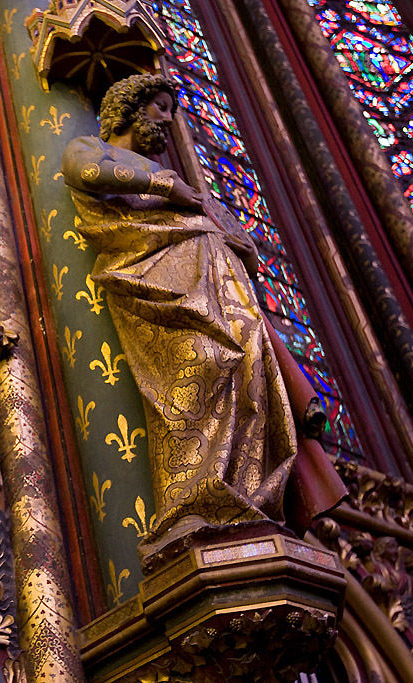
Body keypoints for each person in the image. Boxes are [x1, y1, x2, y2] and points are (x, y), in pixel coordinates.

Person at [63, 73, 341, 558]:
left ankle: (251, 501)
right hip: (160, 286)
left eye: (171, 109)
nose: (169, 119)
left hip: (221, 289)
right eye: (160, 106)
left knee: (249, 374)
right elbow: (83, 171)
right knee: (200, 370)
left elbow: (243, 246)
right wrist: (169, 187)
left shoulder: (187, 188)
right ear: (129, 107)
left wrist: (239, 246)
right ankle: (192, 503)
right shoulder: (93, 147)